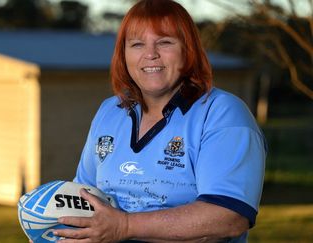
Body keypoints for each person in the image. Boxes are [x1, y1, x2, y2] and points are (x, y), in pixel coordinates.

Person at [53, 0, 266, 242]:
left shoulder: (222, 114)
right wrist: (53, 231)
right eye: (136, 44)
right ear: (123, 54)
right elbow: (83, 198)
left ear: (189, 50)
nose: (150, 54)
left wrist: (125, 226)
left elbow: (228, 216)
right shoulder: (109, 111)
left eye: (164, 42)